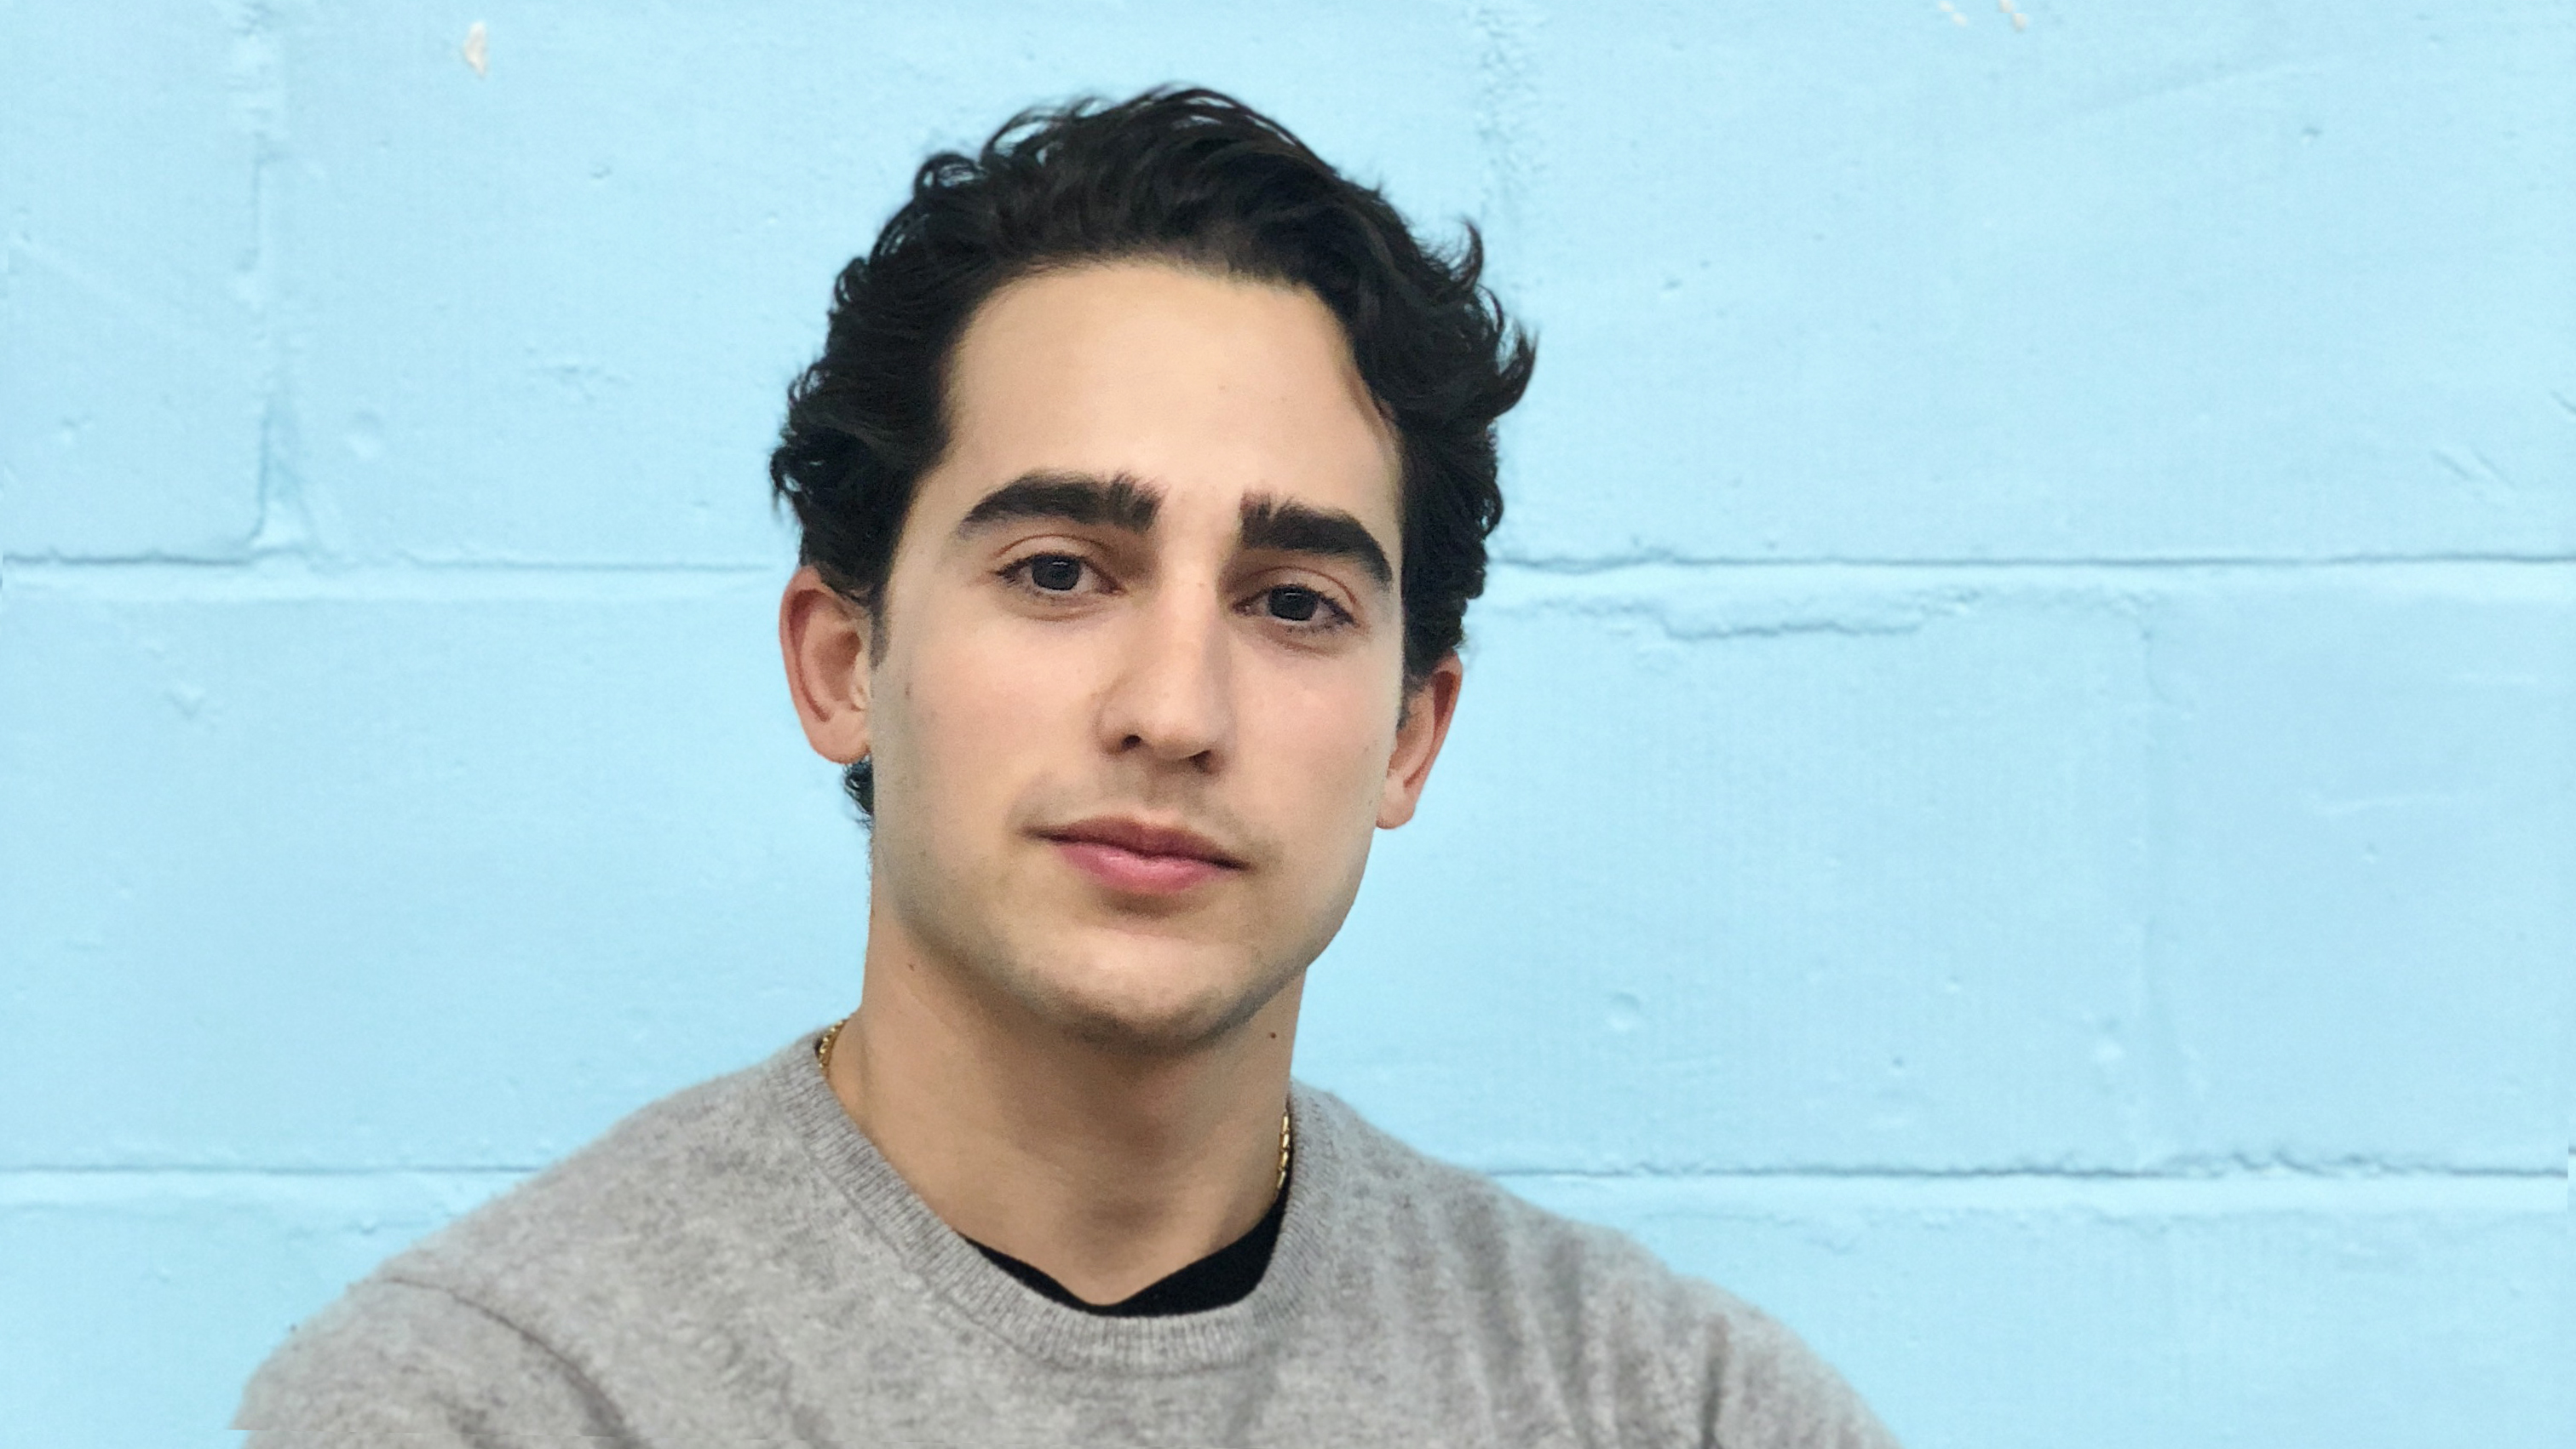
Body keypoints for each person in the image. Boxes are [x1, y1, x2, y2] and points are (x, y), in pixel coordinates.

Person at [238, 87, 1898, 1447]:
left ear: (1410, 732)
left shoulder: (1674, 1409)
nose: (1173, 709)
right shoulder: (490, 1404)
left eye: (1294, 602)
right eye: (1057, 571)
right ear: (843, 664)